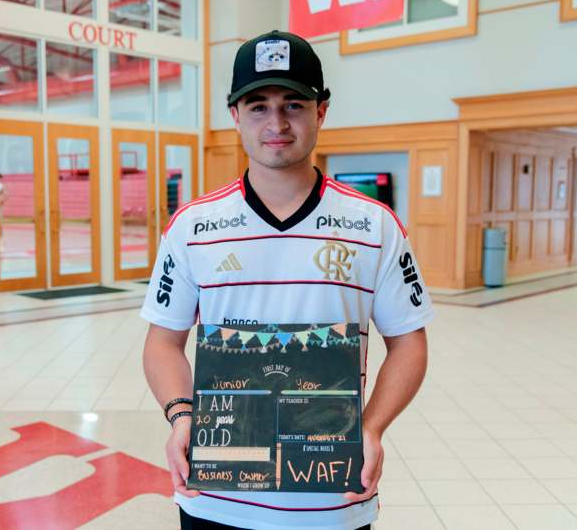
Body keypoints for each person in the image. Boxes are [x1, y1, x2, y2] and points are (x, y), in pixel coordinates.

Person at [141, 30, 433, 530]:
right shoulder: (191, 227)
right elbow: (162, 342)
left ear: (321, 111)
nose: (276, 123)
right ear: (235, 115)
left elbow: (409, 343)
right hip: (216, 498)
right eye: (258, 106)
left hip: (332, 497)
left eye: (293, 104)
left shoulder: (375, 226)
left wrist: (371, 428)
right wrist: (181, 416)